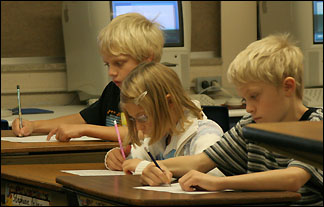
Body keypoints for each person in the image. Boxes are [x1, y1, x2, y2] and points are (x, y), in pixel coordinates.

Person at [140, 34, 323, 206]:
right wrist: (155, 167)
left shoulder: (317, 125)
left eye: (254, 96)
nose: (249, 107)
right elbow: (200, 162)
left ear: (287, 87)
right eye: (245, 99)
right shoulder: (251, 124)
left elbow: (293, 178)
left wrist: (219, 183)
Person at [11, 13, 164, 142]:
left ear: (146, 59)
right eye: (107, 65)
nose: (111, 72)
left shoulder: (157, 89)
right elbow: (82, 118)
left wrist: (86, 130)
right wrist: (33, 126)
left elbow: (143, 133)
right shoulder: (115, 89)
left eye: (119, 63)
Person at [104, 62, 225, 177]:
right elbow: (133, 160)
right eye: (132, 118)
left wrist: (144, 167)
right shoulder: (159, 135)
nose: (138, 127)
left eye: (143, 117)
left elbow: (212, 173)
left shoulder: (206, 133)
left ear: (169, 102)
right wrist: (116, 159)